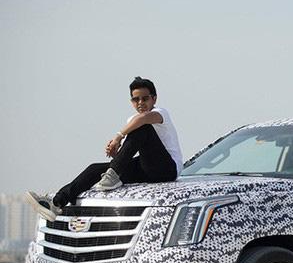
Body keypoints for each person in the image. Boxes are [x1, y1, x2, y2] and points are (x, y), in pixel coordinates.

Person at [26, 76, 183, 221]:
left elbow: (143, 120)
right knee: (95, 169)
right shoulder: (132, 121)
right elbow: (131, 147)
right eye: (136, 99)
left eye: (145, 98)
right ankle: (56, 203)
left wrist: (118, 137)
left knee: (142, 128)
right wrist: (117, 155)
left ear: (154, 99)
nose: (140, 103)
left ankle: (113, 175)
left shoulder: (159, 113)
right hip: (147, 168)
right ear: (131, 102)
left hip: (167, 169)